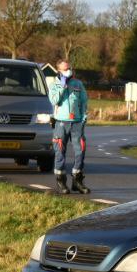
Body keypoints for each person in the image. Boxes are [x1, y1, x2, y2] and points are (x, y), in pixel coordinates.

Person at [48, 60, 90, 195]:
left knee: (81, 150)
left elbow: (84, 101)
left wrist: (83, 117)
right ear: (59, 71)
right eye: (65, 69)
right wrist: (62, 86)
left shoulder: (78, 84)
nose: (68, 71)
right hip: (61, 122)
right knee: (60, 151)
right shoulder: (54, 85)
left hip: (77, 122)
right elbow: (54, 101)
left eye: (69, 68)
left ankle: (77, 180)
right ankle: (61, 180)